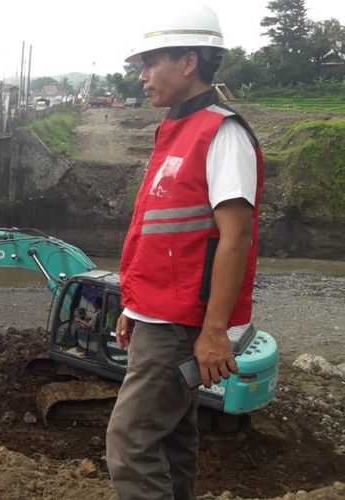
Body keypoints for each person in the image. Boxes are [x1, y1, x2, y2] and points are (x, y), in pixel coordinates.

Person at [105, 4, 263, 499]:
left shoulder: (222, 133)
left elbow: (234, 237)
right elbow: (159, 234)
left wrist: (215, 331)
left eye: (152, 63)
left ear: (189, 61)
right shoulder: (175, 129)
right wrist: (133, 306)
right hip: (157, 313)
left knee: (129, 441)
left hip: (181, 322)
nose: (143, 77)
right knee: (171, 438)